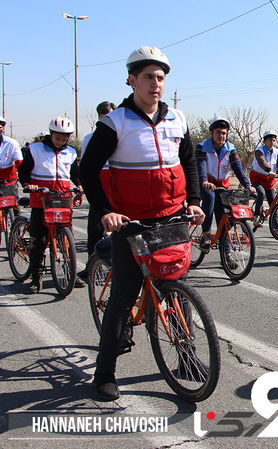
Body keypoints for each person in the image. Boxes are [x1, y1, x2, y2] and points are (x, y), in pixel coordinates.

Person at [79, 45, 204, 401]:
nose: (155, 83)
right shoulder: (114, 122)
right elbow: (87, 170)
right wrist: (105, 210)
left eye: (161, 77)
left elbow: (189, 163)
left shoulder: (177, 119)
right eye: (148, 76)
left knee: (176, 291)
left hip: (171, 219)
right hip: (129, 223)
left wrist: (193, 201)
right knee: (122, 296)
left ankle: (186, 357)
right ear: (132, 80)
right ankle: (104, 373)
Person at [18, 117, 85, 293]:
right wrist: (27, 184)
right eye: (58, 138)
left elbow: (74, 174)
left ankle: (71, 274)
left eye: (64, 139)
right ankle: (35, 276)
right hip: (41, 200)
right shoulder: (35, 150)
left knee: (66, 240)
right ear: (51, 134)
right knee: (38, 240)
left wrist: (78, 186)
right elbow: (23, 171)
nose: (61, 142)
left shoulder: (70, 152)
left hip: (62, 199)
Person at [196, 117, 254, 267]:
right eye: (218, 132)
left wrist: (247, 185)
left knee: (226, 219)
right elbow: (201, 166)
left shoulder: (230, 148)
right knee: (209, 198)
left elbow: (238, 169)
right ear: (211, 132)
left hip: (223, 186)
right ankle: (206, 235)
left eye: (224, 133)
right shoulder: (202, 147)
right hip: (207, 184)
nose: (221, 136)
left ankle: (227, 255)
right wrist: (204, 181)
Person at [77, 101, 116, 279]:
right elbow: (86, 166)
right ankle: (92, 264)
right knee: (95, 227)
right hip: (99, 184)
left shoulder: (121, 135)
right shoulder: (89, 138)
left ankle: (119, 265)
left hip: (117, 184)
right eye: (103, 115)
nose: (107, 117)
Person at [250, 130, 278, 232]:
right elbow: (261, 161)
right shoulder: (259, 150)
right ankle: (256, 217)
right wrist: (269, 170)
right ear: (264, 141)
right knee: (261, 193)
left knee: (274, 204)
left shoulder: (276, 152)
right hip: (258, 177)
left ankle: (276, 227)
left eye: (273, 140)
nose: (271, 142)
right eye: (269, 140)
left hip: (269, 180)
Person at [0, 116, 23, 206]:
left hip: (9, 180)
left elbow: (19, 162)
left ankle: (16, 218)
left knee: (13, 205)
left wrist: (24, 180)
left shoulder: (11, 143)